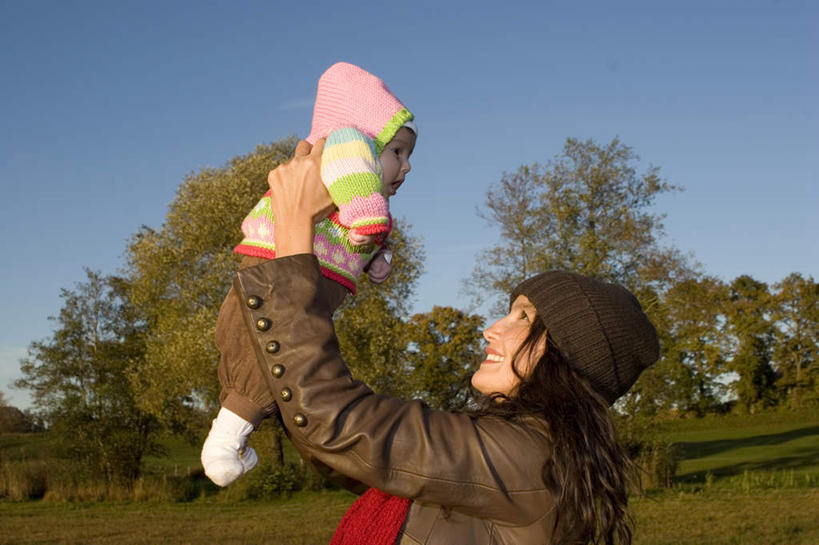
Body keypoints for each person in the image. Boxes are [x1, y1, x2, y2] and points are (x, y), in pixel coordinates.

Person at [226, 140, 660, 544]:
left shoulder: (524, 458)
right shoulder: (514, 444)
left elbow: (340, 423)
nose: (493, 328)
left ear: (567, 351)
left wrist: (294, 227)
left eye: (524, 317)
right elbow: (347, 452)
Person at [201, 62, 418, 487]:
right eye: (397, 152)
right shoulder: (348, 146)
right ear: (369, 141)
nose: (406, 167)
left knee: (286, 355)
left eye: (409, 156)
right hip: (277, 262)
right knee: (257, 344)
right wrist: (369, 220)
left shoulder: (355, 180)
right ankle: (225, 440)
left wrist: (372, 256)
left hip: (307, 274)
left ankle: (237, 438)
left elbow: (352, 230)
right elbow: (357, 193)